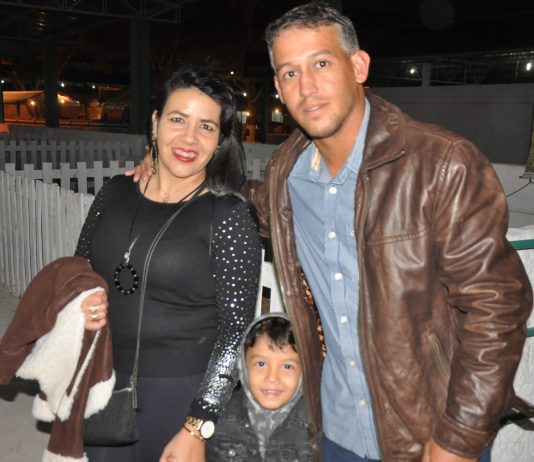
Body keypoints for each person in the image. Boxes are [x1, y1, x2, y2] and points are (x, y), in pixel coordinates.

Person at [128, 3, 533, 462]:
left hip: (429, 433)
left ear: (358, 66)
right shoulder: (287, 176)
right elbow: (243, 198)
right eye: (290, 72)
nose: (307, 87)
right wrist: (168, 166)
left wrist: (458, 439)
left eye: (321, 63)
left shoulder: (441, 163)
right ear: (278, 87)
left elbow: (496, 310)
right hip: (334, 430)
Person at [77, 65, 262, 462]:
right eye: (178, 119)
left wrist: (199, 423)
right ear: (155, 121)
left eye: (206, 126)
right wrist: (82, 303)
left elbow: (236, 330)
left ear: (220, 140)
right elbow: (80, 271)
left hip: (181, 394)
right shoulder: (114, 191)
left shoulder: (228, 216)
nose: (189, 138)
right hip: (102, 376)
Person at [206, 312, 313, 461]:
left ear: (304, 371)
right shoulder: (220, 419)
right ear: (244, 366)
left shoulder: (316, 426)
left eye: (287, 366)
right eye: (261, 364)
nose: (272, 377)